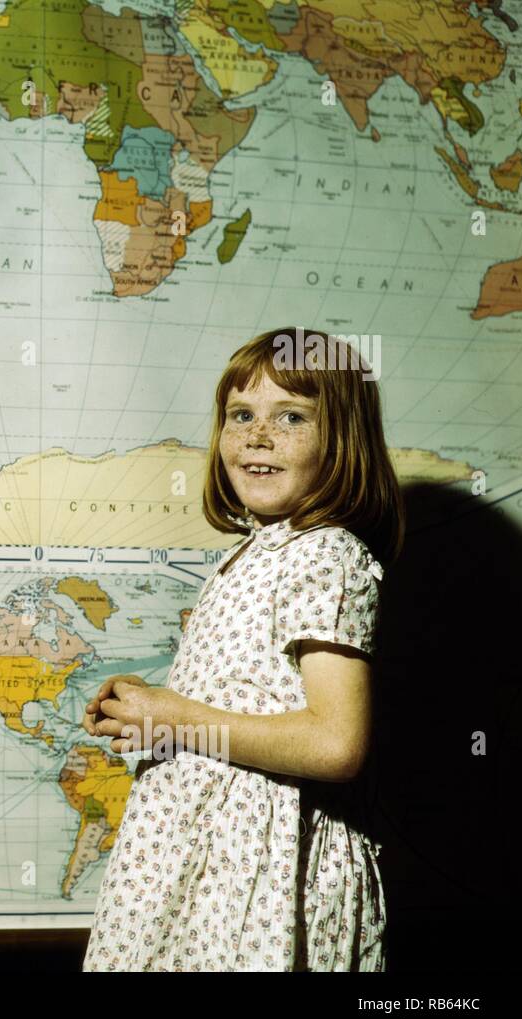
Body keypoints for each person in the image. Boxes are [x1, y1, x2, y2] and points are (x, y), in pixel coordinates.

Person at [80, 327, 404, 971]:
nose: (259, 435)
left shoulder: (326, 555)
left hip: (262, 875)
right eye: (241, 415)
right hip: (205, 864)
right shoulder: (250, 553)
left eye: (292, 416)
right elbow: (243, 695)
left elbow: (336, 745)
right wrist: (148, 706)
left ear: (342, 440)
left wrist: (176, 718)